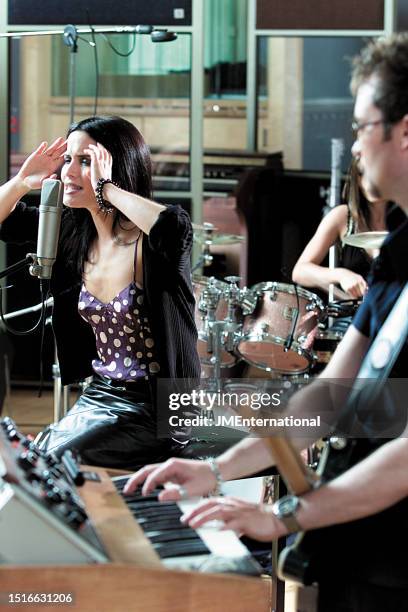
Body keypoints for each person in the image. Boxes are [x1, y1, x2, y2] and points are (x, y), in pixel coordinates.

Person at [125, 35, 408, 611]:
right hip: (364, 554)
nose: (354, 145)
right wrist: (216, 467)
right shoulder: (401, 254)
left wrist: (281, 513)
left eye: (362, 126)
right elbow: (327, 397)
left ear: (403, 131)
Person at [0, 115, 200, 470]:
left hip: (159, 407)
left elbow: (175, 227)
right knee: (33, 456)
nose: (69, 173)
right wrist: (21, 182)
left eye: (85, 161)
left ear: (116, 169)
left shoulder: (152, 242)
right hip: (100, 393)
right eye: (68, 160)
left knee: (57, 461)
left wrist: (106, 188)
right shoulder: (72, 231)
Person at [292, 162, 388, 300]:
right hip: (353, 315)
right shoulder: (342, 217)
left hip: (397, 317)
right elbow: (300, 271)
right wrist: (341, 275)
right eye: (363, 174)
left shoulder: (403, 220)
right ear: (358, 180)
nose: (371, 181)